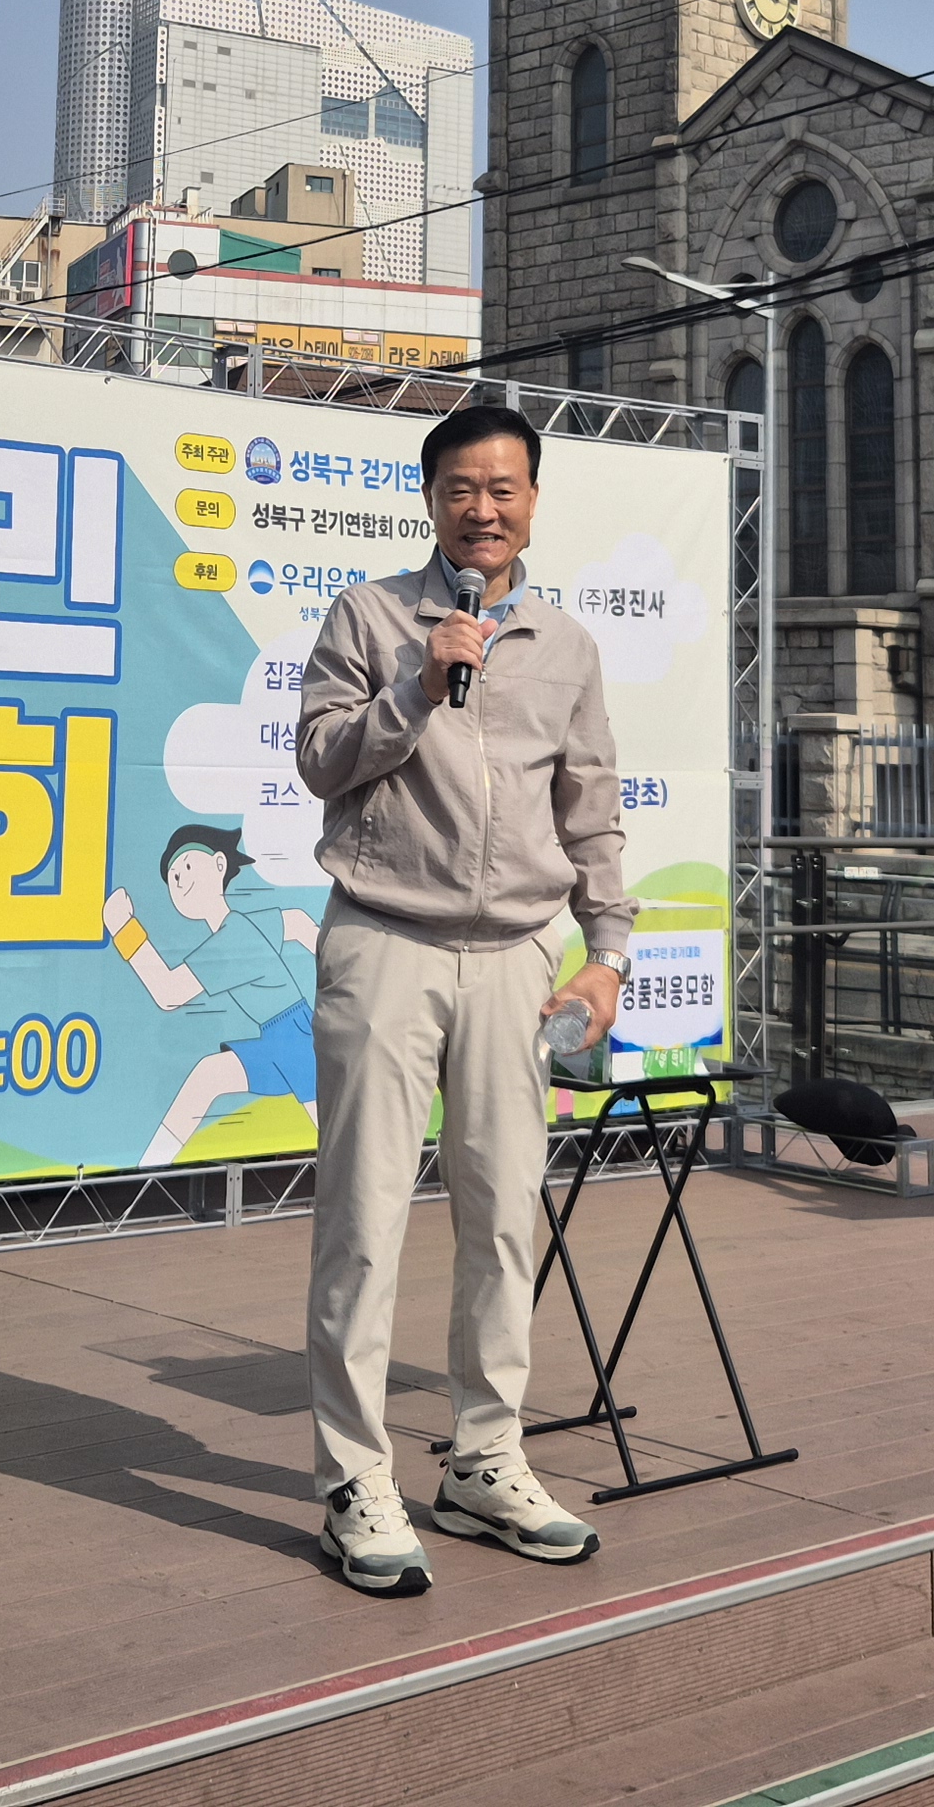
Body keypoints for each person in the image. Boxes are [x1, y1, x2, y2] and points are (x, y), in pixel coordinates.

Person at [292, 404, 629, 1596]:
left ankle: (484, 1462)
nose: (482, 510)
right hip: (383, 943)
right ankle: (352, 1478)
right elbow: (321, 763)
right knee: (366, 1220)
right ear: (429, 497)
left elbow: (588, 805)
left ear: (533, 500)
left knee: (500, 1219)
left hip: (516, 964)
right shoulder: (372, 617)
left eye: (504, 489)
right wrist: (415, 687)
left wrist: (607, 950)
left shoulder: (568, 645)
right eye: (460, 489)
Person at [103, 823, 321, 1168]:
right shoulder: (244, 927)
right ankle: (147, 1168)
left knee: (336, 1138)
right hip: (275, 1039)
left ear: (220, 865)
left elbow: (169, 992)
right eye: (173, 878)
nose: (181, 880)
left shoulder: (232, 936)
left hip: (296, 1040)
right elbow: (295, 922)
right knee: (207, 1077)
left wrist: (124, 929)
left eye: (187, 866)